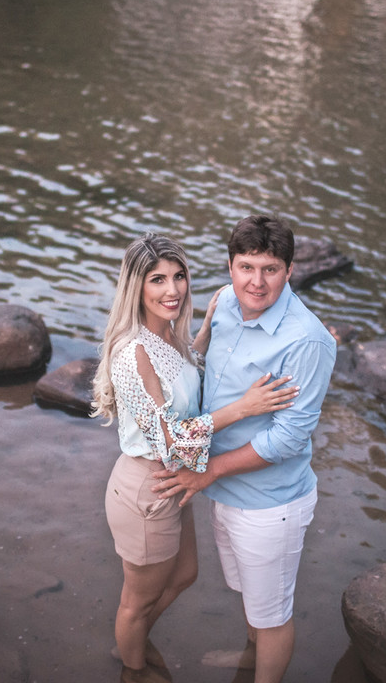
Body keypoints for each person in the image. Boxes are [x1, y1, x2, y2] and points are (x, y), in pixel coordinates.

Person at [91, 233, 299, 683]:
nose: (173, 290)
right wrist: (242, 408)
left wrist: (205, 331)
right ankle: (133, 669)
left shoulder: (166, 333)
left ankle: (132, 638)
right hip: (148, 487)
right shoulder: (133, 353)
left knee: (184, 574)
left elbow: (183, 375)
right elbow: (172, 444)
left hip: (172, 483)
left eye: (179, 276)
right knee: (136, 601)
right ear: (136, 287)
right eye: (157, 280)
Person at [151, 215, 337, 683]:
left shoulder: (307, 341)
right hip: (222, 489)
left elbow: (288, 438)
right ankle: (252, 657)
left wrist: (207, 470)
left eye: (270, 269)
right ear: (230, 265)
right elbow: (205, 371)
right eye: (246, 267)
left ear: (290, 270)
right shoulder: (225, 302)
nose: (256, 282)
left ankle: (263, 664)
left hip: (268, 504)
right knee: (252, 599)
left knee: (272, 615)